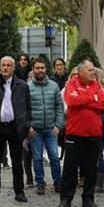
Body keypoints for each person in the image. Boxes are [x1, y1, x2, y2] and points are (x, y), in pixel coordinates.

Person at [0, 56, 31, 203]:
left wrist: (26, 125)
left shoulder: (22, 86)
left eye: (9, 65)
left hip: (16, 127)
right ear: (0, 67)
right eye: (3, 65)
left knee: (17, 161)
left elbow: (28, 108)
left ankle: (19, 191)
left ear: (13, 68)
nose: (5, 68)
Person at [58, 61, 104, 207]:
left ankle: (88, 198)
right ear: (80, 72)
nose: (93, 72)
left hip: (94, 134)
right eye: (89, 70)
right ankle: (66, 198)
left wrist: (85, 99)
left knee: (91, 168)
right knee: (70, 168)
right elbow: (72, 101)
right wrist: (92, 98)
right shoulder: (71, 84)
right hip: (75, 133)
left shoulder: (97, 86)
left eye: (93, 70)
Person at [27, 58, 64, 195]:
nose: (40, 70)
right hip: (35, 129)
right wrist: (28, 126)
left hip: (51, 128)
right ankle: (40, 183)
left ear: (46, 69)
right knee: (37, 158)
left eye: (42, 68)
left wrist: (59, 125)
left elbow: (59, 107)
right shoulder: (28, 87)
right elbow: (24, 109)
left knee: (54, 157)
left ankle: (58, 182)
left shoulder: (54, 86)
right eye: (37, 68)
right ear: (33, 69)